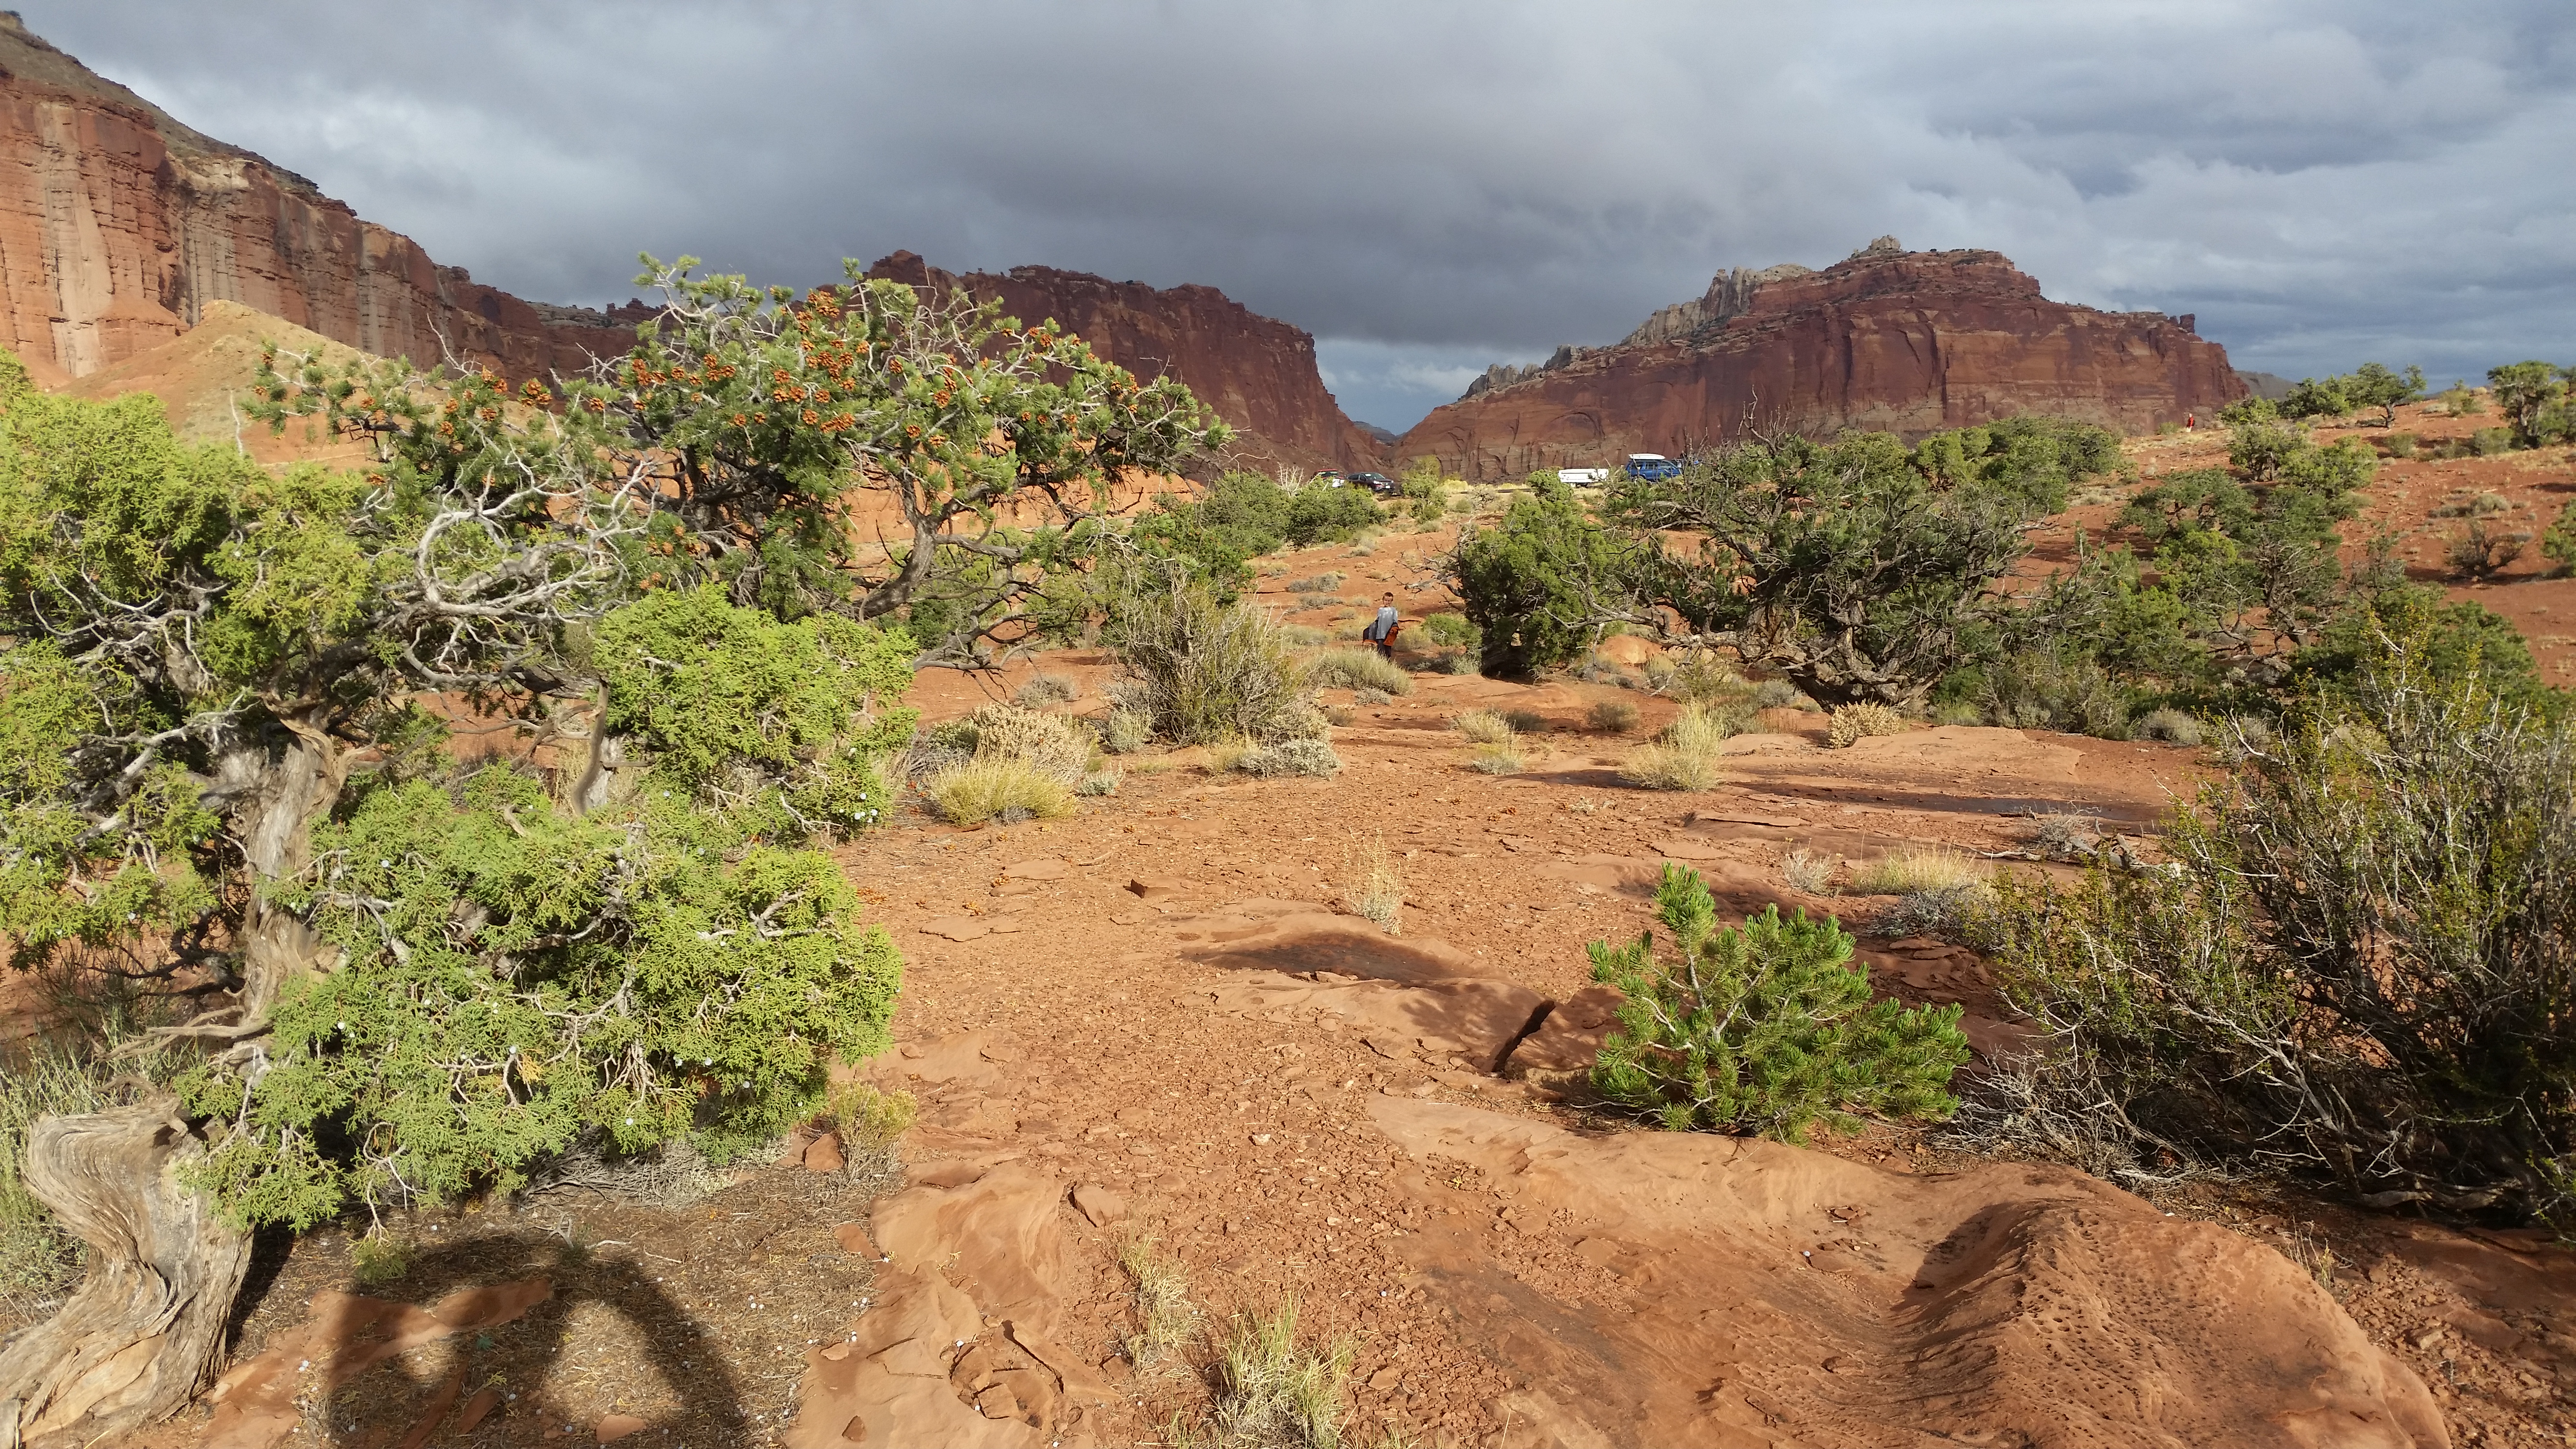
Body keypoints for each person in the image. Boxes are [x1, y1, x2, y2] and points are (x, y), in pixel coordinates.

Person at [1362, 592, 1401, 661]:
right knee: (1380, 648)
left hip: (1389, 633)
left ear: (1392, 601)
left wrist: (1394, 628)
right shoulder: (1380, 610)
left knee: (1388, 649)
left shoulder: (1393, 610)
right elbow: (1377, 621)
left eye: (1389, 601)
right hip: (1380, 634)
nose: (1387, 602)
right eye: (1386, 600)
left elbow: (1395, 621)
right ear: (1383, 600)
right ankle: (1381, 662)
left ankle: (1388, 662)